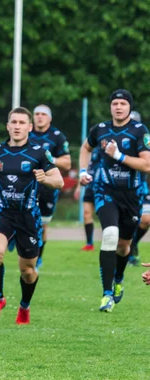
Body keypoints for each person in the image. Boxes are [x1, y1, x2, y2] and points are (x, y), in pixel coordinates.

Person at [0, 107, 64, 325]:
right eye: (13, 122)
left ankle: (24, 306)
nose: (17, 126)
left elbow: (59, 181)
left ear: (29, 127)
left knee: (28, 270)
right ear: (7, 126)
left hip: (28, 217)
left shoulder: (39, 152)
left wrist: (45, 179)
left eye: (22, 123)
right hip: (2, 213)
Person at [78, 89, 150, 312]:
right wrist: (82, 171)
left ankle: (119, 279)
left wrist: (118, 155)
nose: (118, 107)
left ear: (129, 107)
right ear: (110, 107)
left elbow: (147, 165)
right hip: (105, 191)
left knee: (123, 246)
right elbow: (85, 147)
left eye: (123, 103)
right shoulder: (100, 129)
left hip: (132, 195)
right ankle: (107, 293)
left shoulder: (139, 131)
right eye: (115, 103)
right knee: (109, 234)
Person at [28, 105, 71, 268]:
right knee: (23, 219)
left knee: (42, 225)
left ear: (50, 118)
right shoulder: (26, 133)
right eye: (37, 114)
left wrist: (48, 158)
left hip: (48, 187)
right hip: (27, 185)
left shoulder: (57, 136)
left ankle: (38, 255)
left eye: (43, 114)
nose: (40, 117)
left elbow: (66, 163)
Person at [127, 111, 149, 265]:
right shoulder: (117, 142)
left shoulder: (145, 141)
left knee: (145, 220)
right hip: (121, 190)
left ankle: (132, 246)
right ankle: (126, 251)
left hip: (141, 188)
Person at [74, 147, 102, 251]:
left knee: (104, 216)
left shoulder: (109, 146)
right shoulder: (89, 150)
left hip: (104, 187)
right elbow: (84, 169)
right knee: (86, 214)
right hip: (90, 186)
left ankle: (112, 241)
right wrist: (78, 187)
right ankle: (89, 244)